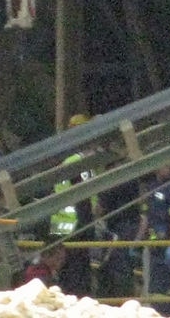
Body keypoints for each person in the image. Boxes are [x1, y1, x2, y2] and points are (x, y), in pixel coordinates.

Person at [48, 113, 98, 297]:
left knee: (71, 275)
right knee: (76, 276)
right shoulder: (78, 162)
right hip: (76, 227)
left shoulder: (72, 160)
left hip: (68, 226)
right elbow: (84, 199)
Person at [135, 163, 170, 317]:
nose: (168, 167)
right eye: (164, 164)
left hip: (168, 245)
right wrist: (137, 242)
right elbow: (145, 218)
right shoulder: (151, 187)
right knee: (155, 287)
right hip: (153, 246)